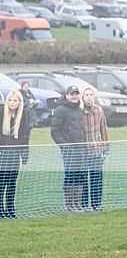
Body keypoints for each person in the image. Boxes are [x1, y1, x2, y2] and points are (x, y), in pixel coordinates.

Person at [50, 85, 87, 213]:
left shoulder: (80, 110)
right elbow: (55, 132)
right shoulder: (60, 110)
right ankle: (70, 205)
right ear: (67, 96)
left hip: (81, 149)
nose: (74, 96)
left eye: (76, 94)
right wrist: (66, 146)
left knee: (80, 176)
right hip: (69, 150)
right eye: (72, 94)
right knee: (70, 175)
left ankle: (78, 203)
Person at [0, 91, 30, 219]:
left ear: (19, 102)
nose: (12, 103)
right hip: (3, 154)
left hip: (15, 155)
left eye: (15, 101)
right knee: (2, 183)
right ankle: (0, 210)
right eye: (10, 100)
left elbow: (25, 136)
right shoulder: (1, 113)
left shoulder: (24, 115)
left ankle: (10, 209)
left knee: (12, 183)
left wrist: (25, 153)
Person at [81, 87, 109, 211]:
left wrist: (106, 148)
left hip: (97, 150)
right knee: (83, 179)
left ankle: (96, 204)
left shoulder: (99, 110)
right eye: (86, 94)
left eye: (91, 94)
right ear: (83, 97)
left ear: (94, 97)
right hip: (84, 151)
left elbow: (104, 129)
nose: (89, 97)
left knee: (96, 179)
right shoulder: (79, 112)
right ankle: (84, 205)